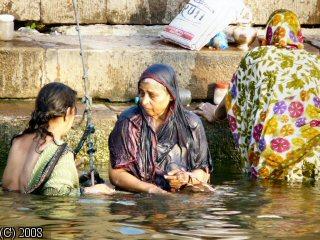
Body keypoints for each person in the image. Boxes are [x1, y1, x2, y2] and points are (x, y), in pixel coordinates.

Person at [195, 9, 320, 181]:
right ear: (298, 35)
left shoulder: (256, 57)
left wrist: (214, 114)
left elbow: (234, 96)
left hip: (270, 155)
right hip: (311, 154)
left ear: (269, 33)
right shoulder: (315, 61)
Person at [108, 64, 212, 193]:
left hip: (179, 201)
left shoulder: (191, 124)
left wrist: (187, 178)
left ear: (170, 95)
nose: (144, 101)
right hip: (138, 200)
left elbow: (203, 171)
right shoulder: (129, 122)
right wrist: (151, 189)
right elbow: (116, 174)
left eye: (152, 95)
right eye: (141, 93)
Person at [2, 82, 114, 196]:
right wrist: (89, 190)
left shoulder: (18, 140)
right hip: (35, 212)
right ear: (69, 111)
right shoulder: (61, 152)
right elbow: (54, 192)